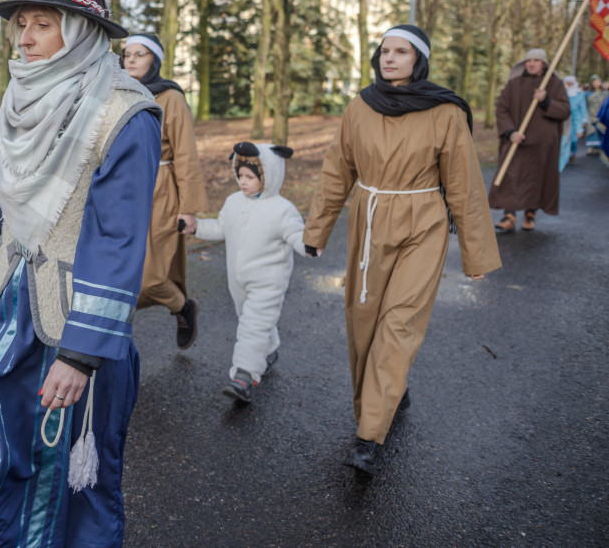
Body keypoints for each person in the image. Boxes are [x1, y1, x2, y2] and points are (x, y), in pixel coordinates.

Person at [0, 0, 162, 546]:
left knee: (62, 480)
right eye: (20, 25)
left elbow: (118, 238)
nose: (24, 39)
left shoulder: (126, 114)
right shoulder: (18, 99)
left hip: (71, 323)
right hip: (2, 305)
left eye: (42, 25)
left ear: (80, 31)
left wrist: (81, 357)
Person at [303, 25, 501, 476]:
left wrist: (475, 253)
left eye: (401, 52)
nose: (389, 58)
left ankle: (370, 433)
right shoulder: (359, 108)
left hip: (422, 224)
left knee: (399, 322)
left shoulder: (445, 111)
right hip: (369, 224)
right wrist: (317, 231)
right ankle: (391, 392)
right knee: (363, 321)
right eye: (384, 51)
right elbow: (337, 171)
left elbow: (465, 185)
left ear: (419, 60)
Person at [189, 141, 307, 403]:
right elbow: (221, 228)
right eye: (240, 175)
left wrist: (309, 245)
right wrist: (196, 228)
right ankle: (270, 350)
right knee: (253, 320)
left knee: (252, 326)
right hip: (238, 283)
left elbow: (297, 235)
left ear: (267, 175)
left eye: (250, 177)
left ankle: (244, 375)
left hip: (268, 283)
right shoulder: (233, 202)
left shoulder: (282, 209)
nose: (243, 181)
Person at [122, 33, 208, 349]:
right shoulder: (118, 94)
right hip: (124, 190)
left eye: (139, 54)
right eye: (127, 53)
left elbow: (186, 153)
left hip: (160, 189)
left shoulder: (170, 98)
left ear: (154, 60)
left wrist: (189, 207)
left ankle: (182, 306)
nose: (130, 59)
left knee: (152, 276)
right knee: (122, 268)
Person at [487, 48, 571, 232]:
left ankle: (530, 214)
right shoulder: (514, 84)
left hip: (543, 146)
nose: (531, 63)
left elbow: (565, 111)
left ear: (544, 64)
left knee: (536, 179)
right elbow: (502, 109)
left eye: (536, 60)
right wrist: (510, 132)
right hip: (517, 142)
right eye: (528, 60)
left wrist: (546, 100)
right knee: (510, 175)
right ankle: (509, 216)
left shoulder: (554, 85)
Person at [564, 75, 588, 164]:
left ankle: (572, 153)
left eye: (571, 83)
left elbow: (583, 108)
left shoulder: (579, 94)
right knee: (564, 139)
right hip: (564, 120)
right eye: (568, 83)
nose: (569, 84)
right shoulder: (562, 92)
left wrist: (584, 120)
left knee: (573, 140)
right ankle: (564, 156)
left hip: (576, 120)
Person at [585, 76, 606, 155]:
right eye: (594, 82)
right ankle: (590, 147)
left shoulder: (604, 93)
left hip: (600, 114)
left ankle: (598, 148)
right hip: (590, 114)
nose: (596, 83)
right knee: (590, 130)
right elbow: (585, 105)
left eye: (598, 81)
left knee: (599, 130)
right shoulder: (588, 93)